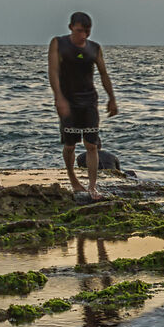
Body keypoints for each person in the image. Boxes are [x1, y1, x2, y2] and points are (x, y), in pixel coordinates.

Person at [47, 11, 119, 208]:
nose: (83, 36)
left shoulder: (94, 48)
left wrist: (112, 98)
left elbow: (103, 73)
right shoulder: (58, 44)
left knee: (92, 145)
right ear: (71, 27)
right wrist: (58, 97)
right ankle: (73, 180)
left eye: (87, 32)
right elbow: (53, 71)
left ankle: (92, 186)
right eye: (80, 31)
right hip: (68, 101)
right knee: (70, 145)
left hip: (89, 101)